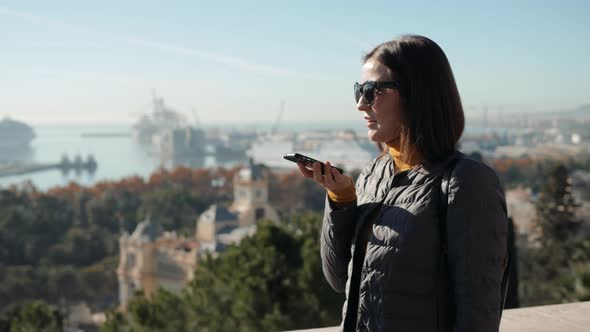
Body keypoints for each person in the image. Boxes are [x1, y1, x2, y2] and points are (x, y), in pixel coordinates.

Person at [297, 35, 508, 332]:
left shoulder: (467, 182)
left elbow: (478, 312)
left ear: (416, 93)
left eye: (372, 91)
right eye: (359, 90)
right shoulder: (373, 173)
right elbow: (339, 279)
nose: (360, 104)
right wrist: (341, 199)